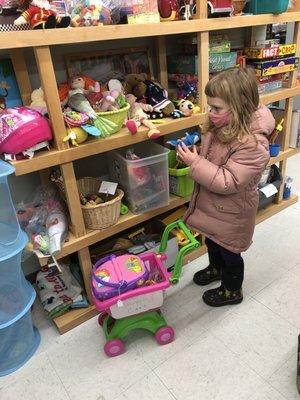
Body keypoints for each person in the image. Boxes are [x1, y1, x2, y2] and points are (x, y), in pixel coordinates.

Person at [176, 67, 275, 307]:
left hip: (233, 213)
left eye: (217, 108)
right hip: (215, 209)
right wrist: (196, 154)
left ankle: (232, 290)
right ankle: (215, 269)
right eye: (210, 107)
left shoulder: (253, 144)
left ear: (239, 106)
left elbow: (227, 181)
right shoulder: (223, 126)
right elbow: (215, 159)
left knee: (230, 253)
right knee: (212, 241)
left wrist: (195, 163)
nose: (211, 113)